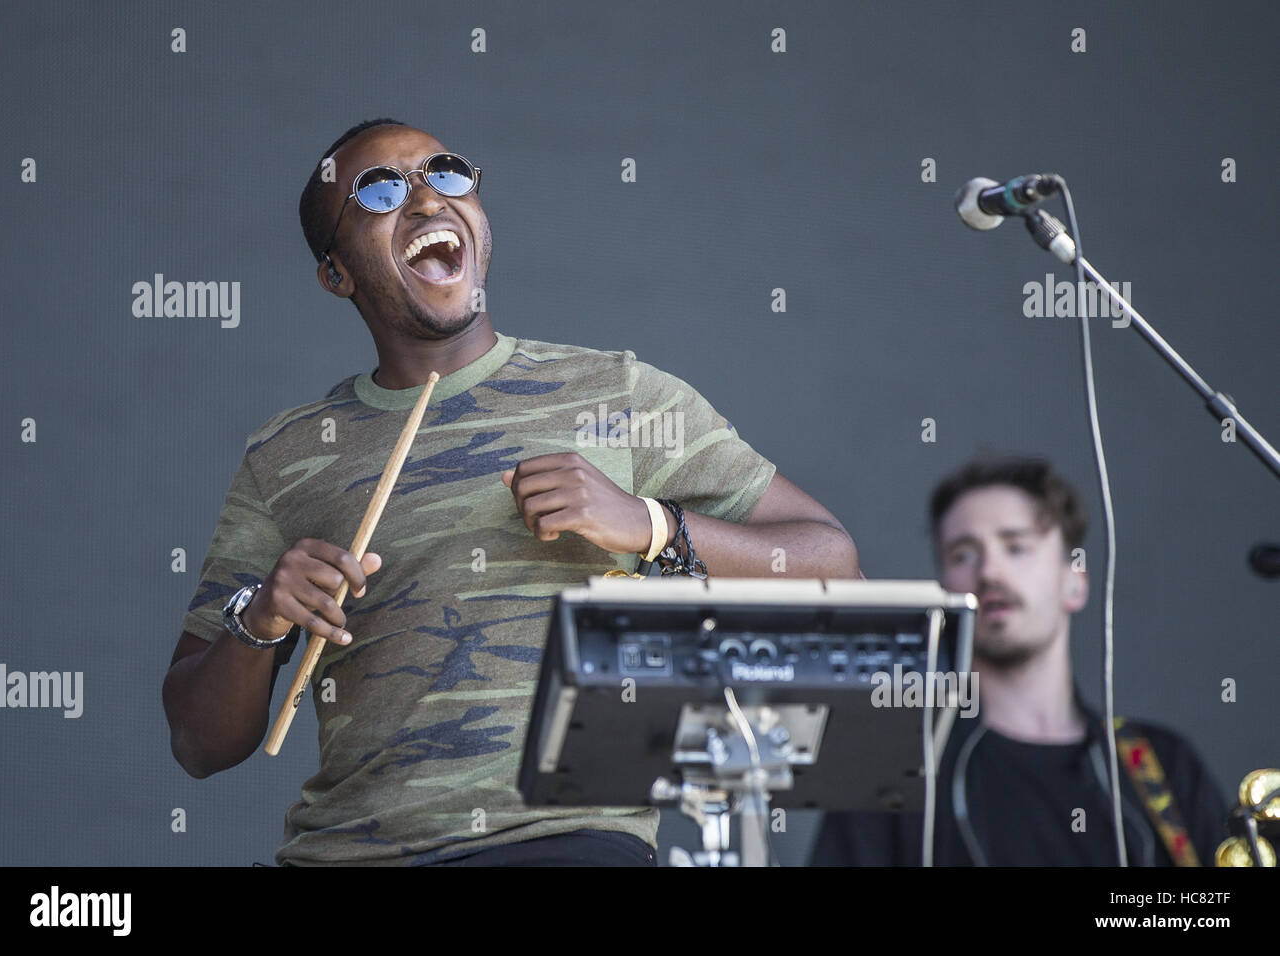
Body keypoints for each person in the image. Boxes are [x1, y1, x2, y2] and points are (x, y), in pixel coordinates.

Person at [162, 119, 862, 866]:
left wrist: (650, 524)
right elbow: (199, 743)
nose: (426, 200)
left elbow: (833, 564)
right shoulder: (288, 454)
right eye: (380, 191)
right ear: (337, 274)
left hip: (564, 845)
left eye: (445, 172)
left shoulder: (617, 393)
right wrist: (261, 619)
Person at [813, 455, 1227, 866]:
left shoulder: (1163, 766)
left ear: (1075, 583)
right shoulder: (897, 769)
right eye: (963, 555)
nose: (990, 572)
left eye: (1016, 547)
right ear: (945, 592)